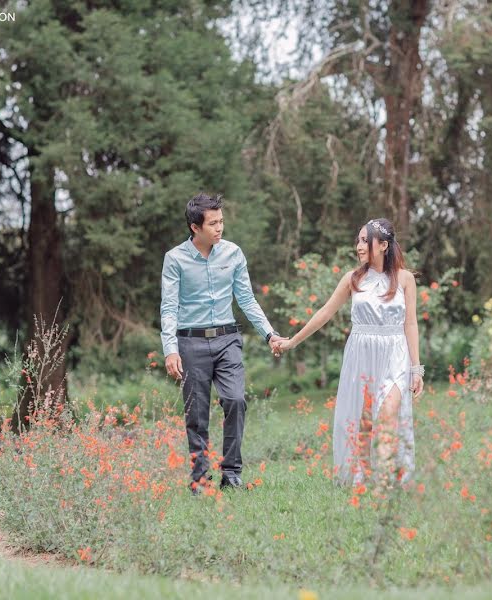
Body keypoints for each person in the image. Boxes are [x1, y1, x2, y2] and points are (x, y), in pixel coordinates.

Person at [274, 218, 422, 487]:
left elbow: (410, 323)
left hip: (395, 353)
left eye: (365, 240)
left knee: (389, 412)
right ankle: (362, 478)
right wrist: (292, 341)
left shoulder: (405, 279)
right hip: (362, 353)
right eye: (358, 240)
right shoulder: (353, 279)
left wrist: (416, 367)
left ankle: (386, 483)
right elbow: (325, 313)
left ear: (384, 245)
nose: (359, 246)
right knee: (365, 420)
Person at [160, 193, 287, 494]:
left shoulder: (233, 253)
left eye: (221, 221)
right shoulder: (175, 259)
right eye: (213, 223)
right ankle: (199, 479)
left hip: (228, 339)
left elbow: (246, 298)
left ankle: (231, 474)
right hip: (190, 343)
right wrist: (170, 349)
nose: (220, 228)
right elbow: (169, 307)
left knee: (235, 400)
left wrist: (270, 334)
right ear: (195, 227)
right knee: (197, 413)